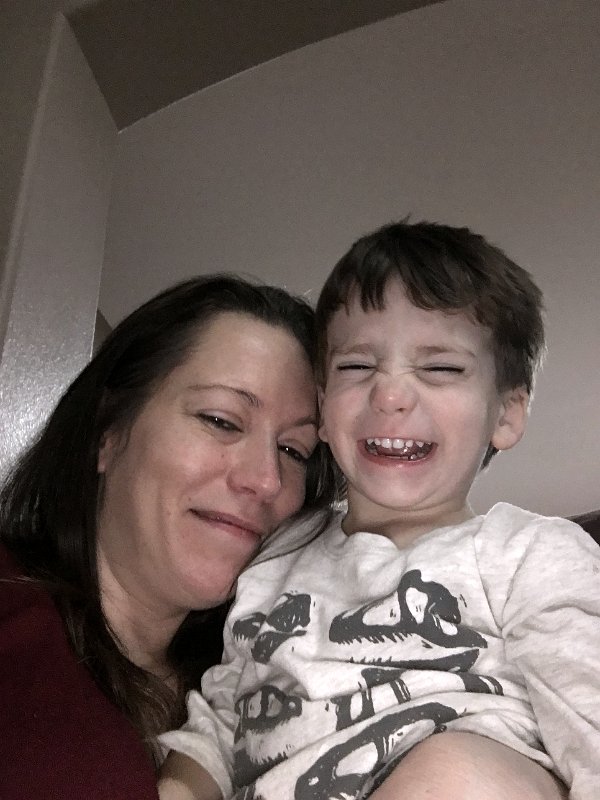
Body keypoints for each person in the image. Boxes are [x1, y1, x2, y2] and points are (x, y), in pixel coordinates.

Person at [157, 222, 600, 800]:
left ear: (507, 413)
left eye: (441, 368)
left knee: (460, 773)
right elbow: (221, 720)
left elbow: (590, 727)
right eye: (356, 366)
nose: (389, 394)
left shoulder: (530, 555)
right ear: (322, 406)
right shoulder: (280, 553)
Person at [0, 274, 337, 799]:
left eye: (294, 451)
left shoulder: (272, 687)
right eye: (222, 420)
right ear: (109, 431)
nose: (267, 480)